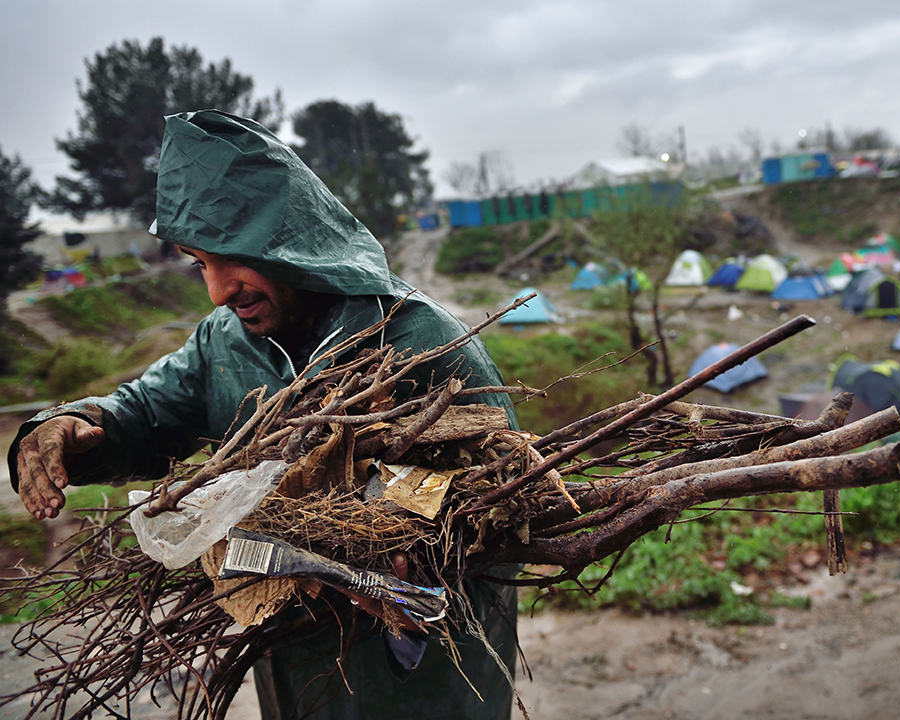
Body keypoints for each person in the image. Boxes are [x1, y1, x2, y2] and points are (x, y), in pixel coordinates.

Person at [8, 110, 518, 720]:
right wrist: (71, 424)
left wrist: (410, 534)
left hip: (432, 673)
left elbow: (505, 485)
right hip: (297, 664)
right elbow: (145, 411)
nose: (219, 289)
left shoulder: (421, 338)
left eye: (234, 256)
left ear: (292, 240)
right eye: (200, 263)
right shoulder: (223, 342)